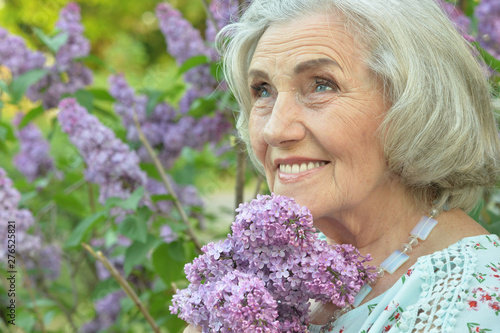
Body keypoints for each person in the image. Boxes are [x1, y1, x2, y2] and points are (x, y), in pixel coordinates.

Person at [184, 0, 500, 331]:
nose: (274, 129)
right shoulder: (285, 268)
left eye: (321, 84)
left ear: (414, 105)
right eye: (263, 90)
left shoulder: (466, 302)